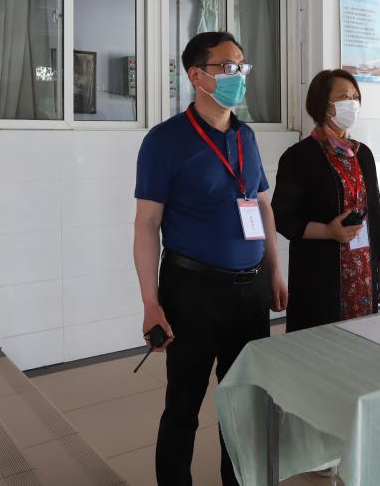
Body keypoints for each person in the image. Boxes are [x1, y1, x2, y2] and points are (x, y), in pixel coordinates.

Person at [133, 31, 288, 486]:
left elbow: (261, 205)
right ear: (196, 75)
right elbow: (146, 226)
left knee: (242, 404)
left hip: (250, 288)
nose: (238, 75)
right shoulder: (165, 141)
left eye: (242, 65)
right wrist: (150, 303)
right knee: (184, 404)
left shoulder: (246, 135)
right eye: (227, 66)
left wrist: (275, 270)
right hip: (192, 291)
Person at [272, 69, 380, 331]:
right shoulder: (299, 156)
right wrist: (327, 231)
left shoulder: (362, 153)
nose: (352, 103)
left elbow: (375, 212)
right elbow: (282, 217)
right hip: (319, 275)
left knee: (363, 341)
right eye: (344, 97)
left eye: (355, 97)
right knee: (320, 346)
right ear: (322, 104)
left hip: (363, 271)